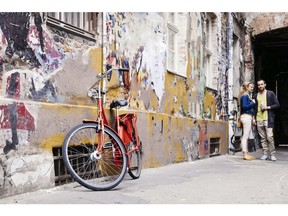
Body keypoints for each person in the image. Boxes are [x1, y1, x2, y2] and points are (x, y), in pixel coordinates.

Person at [255, 79, 280, 161]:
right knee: (262, 138)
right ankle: (265, 153)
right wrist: (253, 118)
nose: (260, 86)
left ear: (265, 85)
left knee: (270, 137)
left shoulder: (270, 93)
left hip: (268, 118)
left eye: (262, 84)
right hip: (259, 119)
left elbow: (277, 105)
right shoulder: (256, 95)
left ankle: (272, 154)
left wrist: (267, 107)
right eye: (259, 85)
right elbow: (254, 108)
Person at [239, 81, 256, 160]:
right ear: (247, 87)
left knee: (246, 135)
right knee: (245, 136)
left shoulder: (247, 96)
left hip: (247, 117)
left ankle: (247, 153)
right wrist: (252, 103)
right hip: (245, 117)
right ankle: (245, 154)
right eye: (251, 87)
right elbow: (245, 107)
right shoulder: (245, 96)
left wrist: (252, 117)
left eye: (252, 87)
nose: (252, 88)